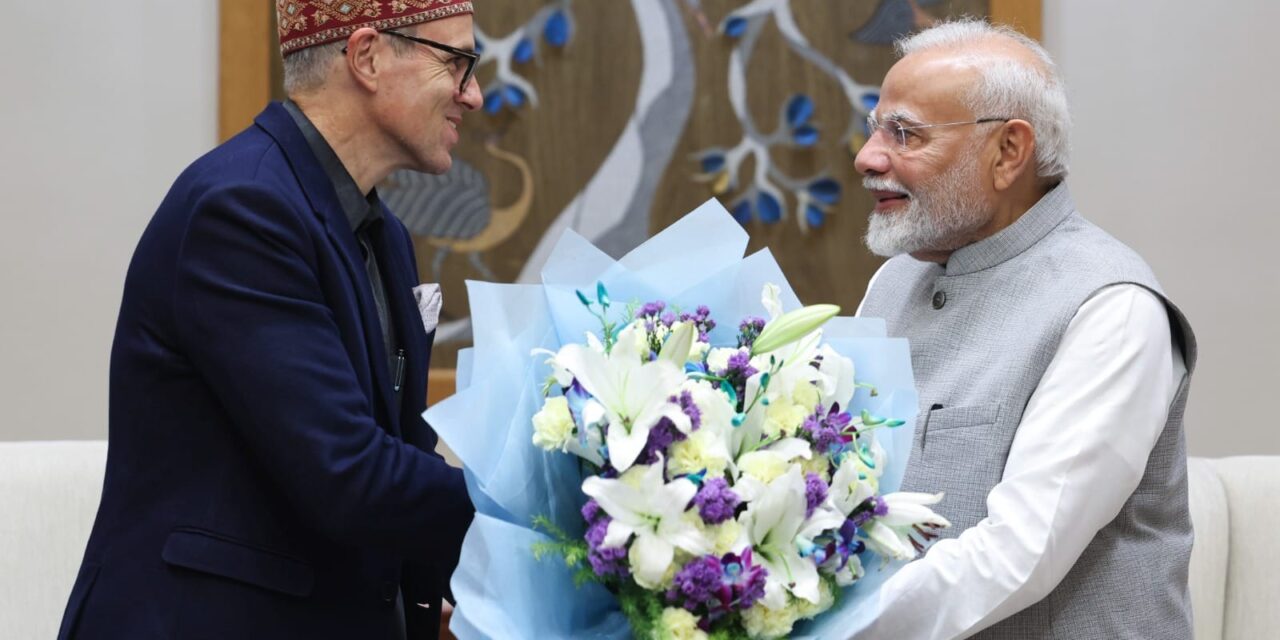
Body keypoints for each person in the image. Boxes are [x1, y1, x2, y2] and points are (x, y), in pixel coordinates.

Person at [58, 2, 482, 638]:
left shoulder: (382, 233)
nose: (472, 95)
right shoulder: (242, 211)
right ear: (367, 57)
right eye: (456, 63)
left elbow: (398, 454)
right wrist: (556, 509)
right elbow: (349, 473)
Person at [852, 19, 1196, 639]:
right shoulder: (892, 283)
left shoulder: (1112, 308)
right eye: (874, 127)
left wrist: (821, 625)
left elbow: (1017, 555)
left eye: (904, 133)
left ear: (1008, 151)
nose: (868, 156)